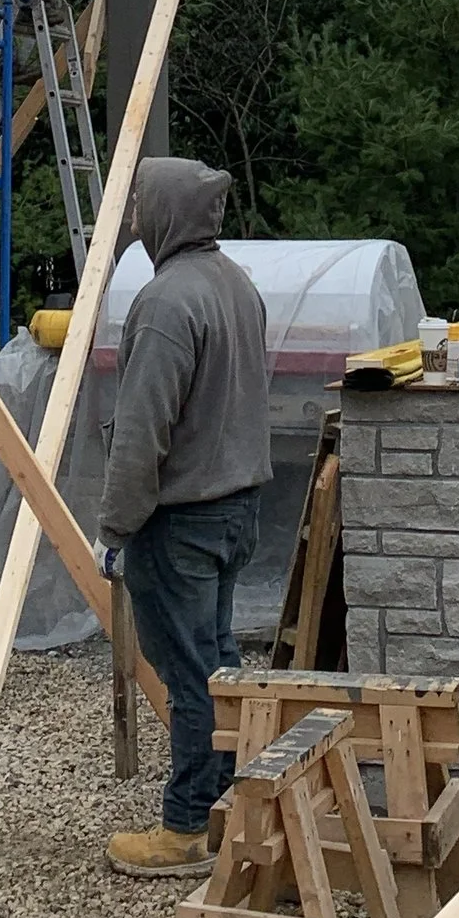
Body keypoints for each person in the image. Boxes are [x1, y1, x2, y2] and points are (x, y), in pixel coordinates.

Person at [95, 157, 271, 875]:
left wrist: (116, 526)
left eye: (141, 202)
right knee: (221, 663)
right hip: (236, 508)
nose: (134, 214)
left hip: (183, 518)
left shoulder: (168, 302)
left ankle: (187, 828)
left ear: (164, 211)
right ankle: (232, 807)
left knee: (193, 673)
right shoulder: (236, 284)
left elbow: (143, 432)